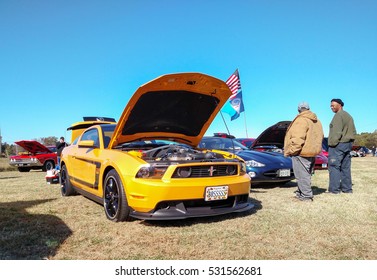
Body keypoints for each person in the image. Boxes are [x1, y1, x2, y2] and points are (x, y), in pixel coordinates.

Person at [284, 101, 324, 202]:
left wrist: (292, 150)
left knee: (301, 175)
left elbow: (298, 138)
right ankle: (301, 192)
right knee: (306, 174)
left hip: (301, 152)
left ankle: (306, 196)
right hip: (312, 152)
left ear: (298, 110)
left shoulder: (301, 120)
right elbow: (321, 136)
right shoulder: (317, 121)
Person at [328, 98, 356, 194]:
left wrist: (332, 144)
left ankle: (334, 190)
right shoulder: (348, 116)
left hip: (338, 145)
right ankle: (347, 189)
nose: (331, 107)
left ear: (340, 105)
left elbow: (336, 133)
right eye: (330, 105)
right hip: (347, 145)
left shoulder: (338, 116)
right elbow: (354, 132)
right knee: (345, 167)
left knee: (334, 166)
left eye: (333, 105)